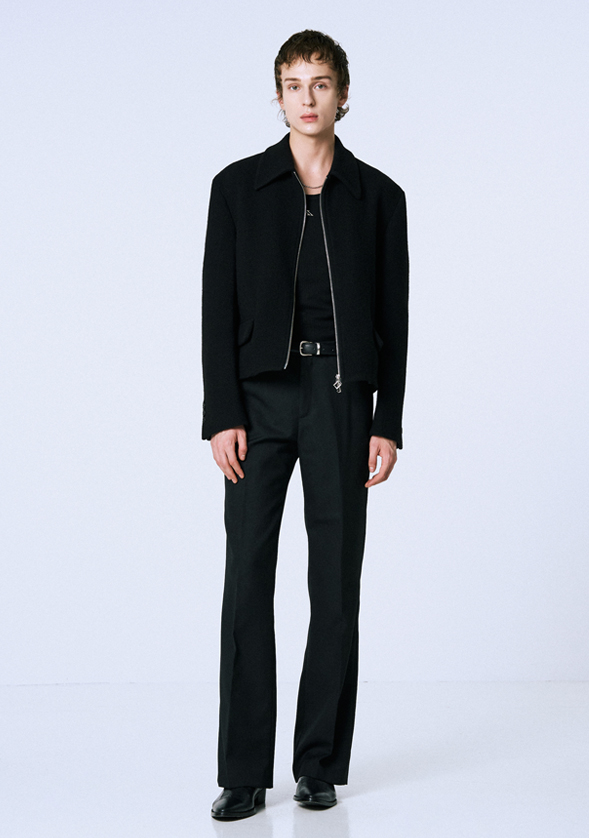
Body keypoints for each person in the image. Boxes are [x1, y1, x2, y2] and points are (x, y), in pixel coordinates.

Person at [201, 29, 409, 820]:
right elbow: (214, 308)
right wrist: (222, 413)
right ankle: (243, 773)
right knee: (246, 580)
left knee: (334, 585)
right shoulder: (236, 188)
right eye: (294, 84)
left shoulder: (377, 197)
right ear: (279, 96)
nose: (308, 97)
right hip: (258, 401)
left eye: (321, 83)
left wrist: (386, 419)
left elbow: (394, 319)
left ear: (342, 94)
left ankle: (317, 763)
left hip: (339, 399)